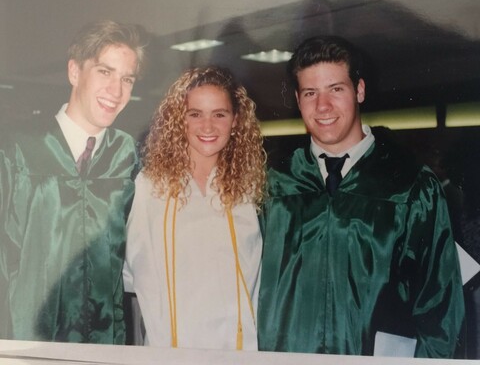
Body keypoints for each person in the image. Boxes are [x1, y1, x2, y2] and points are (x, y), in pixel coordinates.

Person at [257, 36, 465, 358]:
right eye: (311, 93)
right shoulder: (273, 184)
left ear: (360, 91)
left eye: (336, 89)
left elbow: (439, 312)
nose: (322, 106)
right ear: (298, 100)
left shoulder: (410, 186)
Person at [0, 19, 148, 343]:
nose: (116, 91)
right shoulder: (18, 152)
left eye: (127, 79)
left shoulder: (129, 158)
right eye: (104, 72)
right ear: (74, 72)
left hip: (104, 345)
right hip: (28, 345)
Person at [124, 66, 266, 350]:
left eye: (220, 114)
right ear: (180, 120)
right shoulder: (150, 187)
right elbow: (132, 277)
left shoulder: (251, 190)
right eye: (195, 114)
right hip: (169, 352)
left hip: (239, 352)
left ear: (236, 120)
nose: (208, 126)